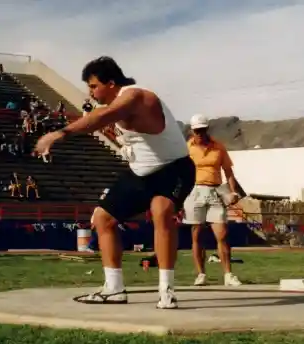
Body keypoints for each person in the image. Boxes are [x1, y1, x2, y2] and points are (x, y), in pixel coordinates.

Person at [35, 56, 196, 309]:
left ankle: (167, 291)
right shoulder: (117, 106)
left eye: (93, 86)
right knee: (102, 218)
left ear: (111, 83)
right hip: (140, 172)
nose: (90, 92)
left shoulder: (136, 97)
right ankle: (114, 288)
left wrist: (60, 133)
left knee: (161, 211)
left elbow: (104, 115)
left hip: (173, 168)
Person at [183, 114, 242, 287]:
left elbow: (228, 171)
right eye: (196, 130)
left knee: (222, 234)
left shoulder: (219, 147)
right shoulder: (186, 148)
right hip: (194, 191)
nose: (199, 133)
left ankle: (228, 275)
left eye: (202, 130)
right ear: (192, 131)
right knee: (196, 235)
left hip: (215, 191)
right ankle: (201, 274)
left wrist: (233, 192)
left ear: (207, 129)